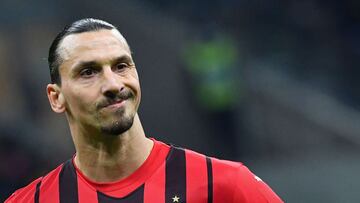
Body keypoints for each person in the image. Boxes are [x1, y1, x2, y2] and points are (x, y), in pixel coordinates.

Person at [5, 18, 283, 203]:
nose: (113, 84)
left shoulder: (224, 186)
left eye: (121, 66)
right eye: (88, 72)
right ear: (56, 97)